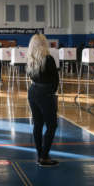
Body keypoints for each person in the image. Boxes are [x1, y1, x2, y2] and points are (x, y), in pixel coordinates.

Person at [26, 34, 59, 167]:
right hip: (45, 93)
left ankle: (40, 154)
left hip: (33, 91)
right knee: (52, 125)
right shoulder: (48, 59)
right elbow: (55, 80)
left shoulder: (30, 59)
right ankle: (44, 157)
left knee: (38, 124)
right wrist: (51, 92)